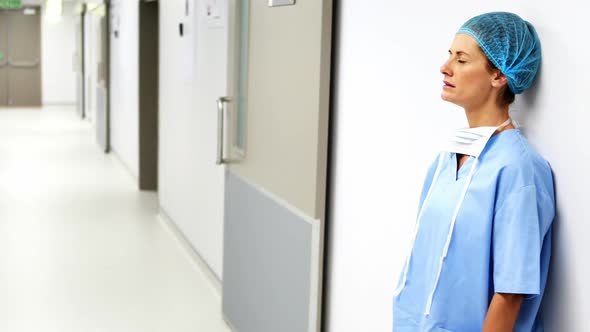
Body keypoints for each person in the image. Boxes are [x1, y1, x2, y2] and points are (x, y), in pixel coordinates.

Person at [392, 12, 555, 332]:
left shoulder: (518, 169)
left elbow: (510, 294)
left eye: (462, 59)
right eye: (449, 55)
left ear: (499, 76)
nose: (445, 67)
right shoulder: (445, 159)